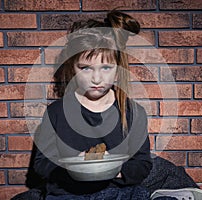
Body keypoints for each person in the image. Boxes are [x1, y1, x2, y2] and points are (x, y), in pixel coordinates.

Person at [32, 10, 153, 199]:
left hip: (118, 192)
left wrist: (113, 169)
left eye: (106, 68)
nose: (96, 78)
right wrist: (71, 168)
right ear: (72, 67)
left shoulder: (134, 112)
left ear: (118, 70)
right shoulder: (56, 112)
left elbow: (142, 163)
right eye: (86, 68)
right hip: (67, 194)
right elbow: (41, 164)